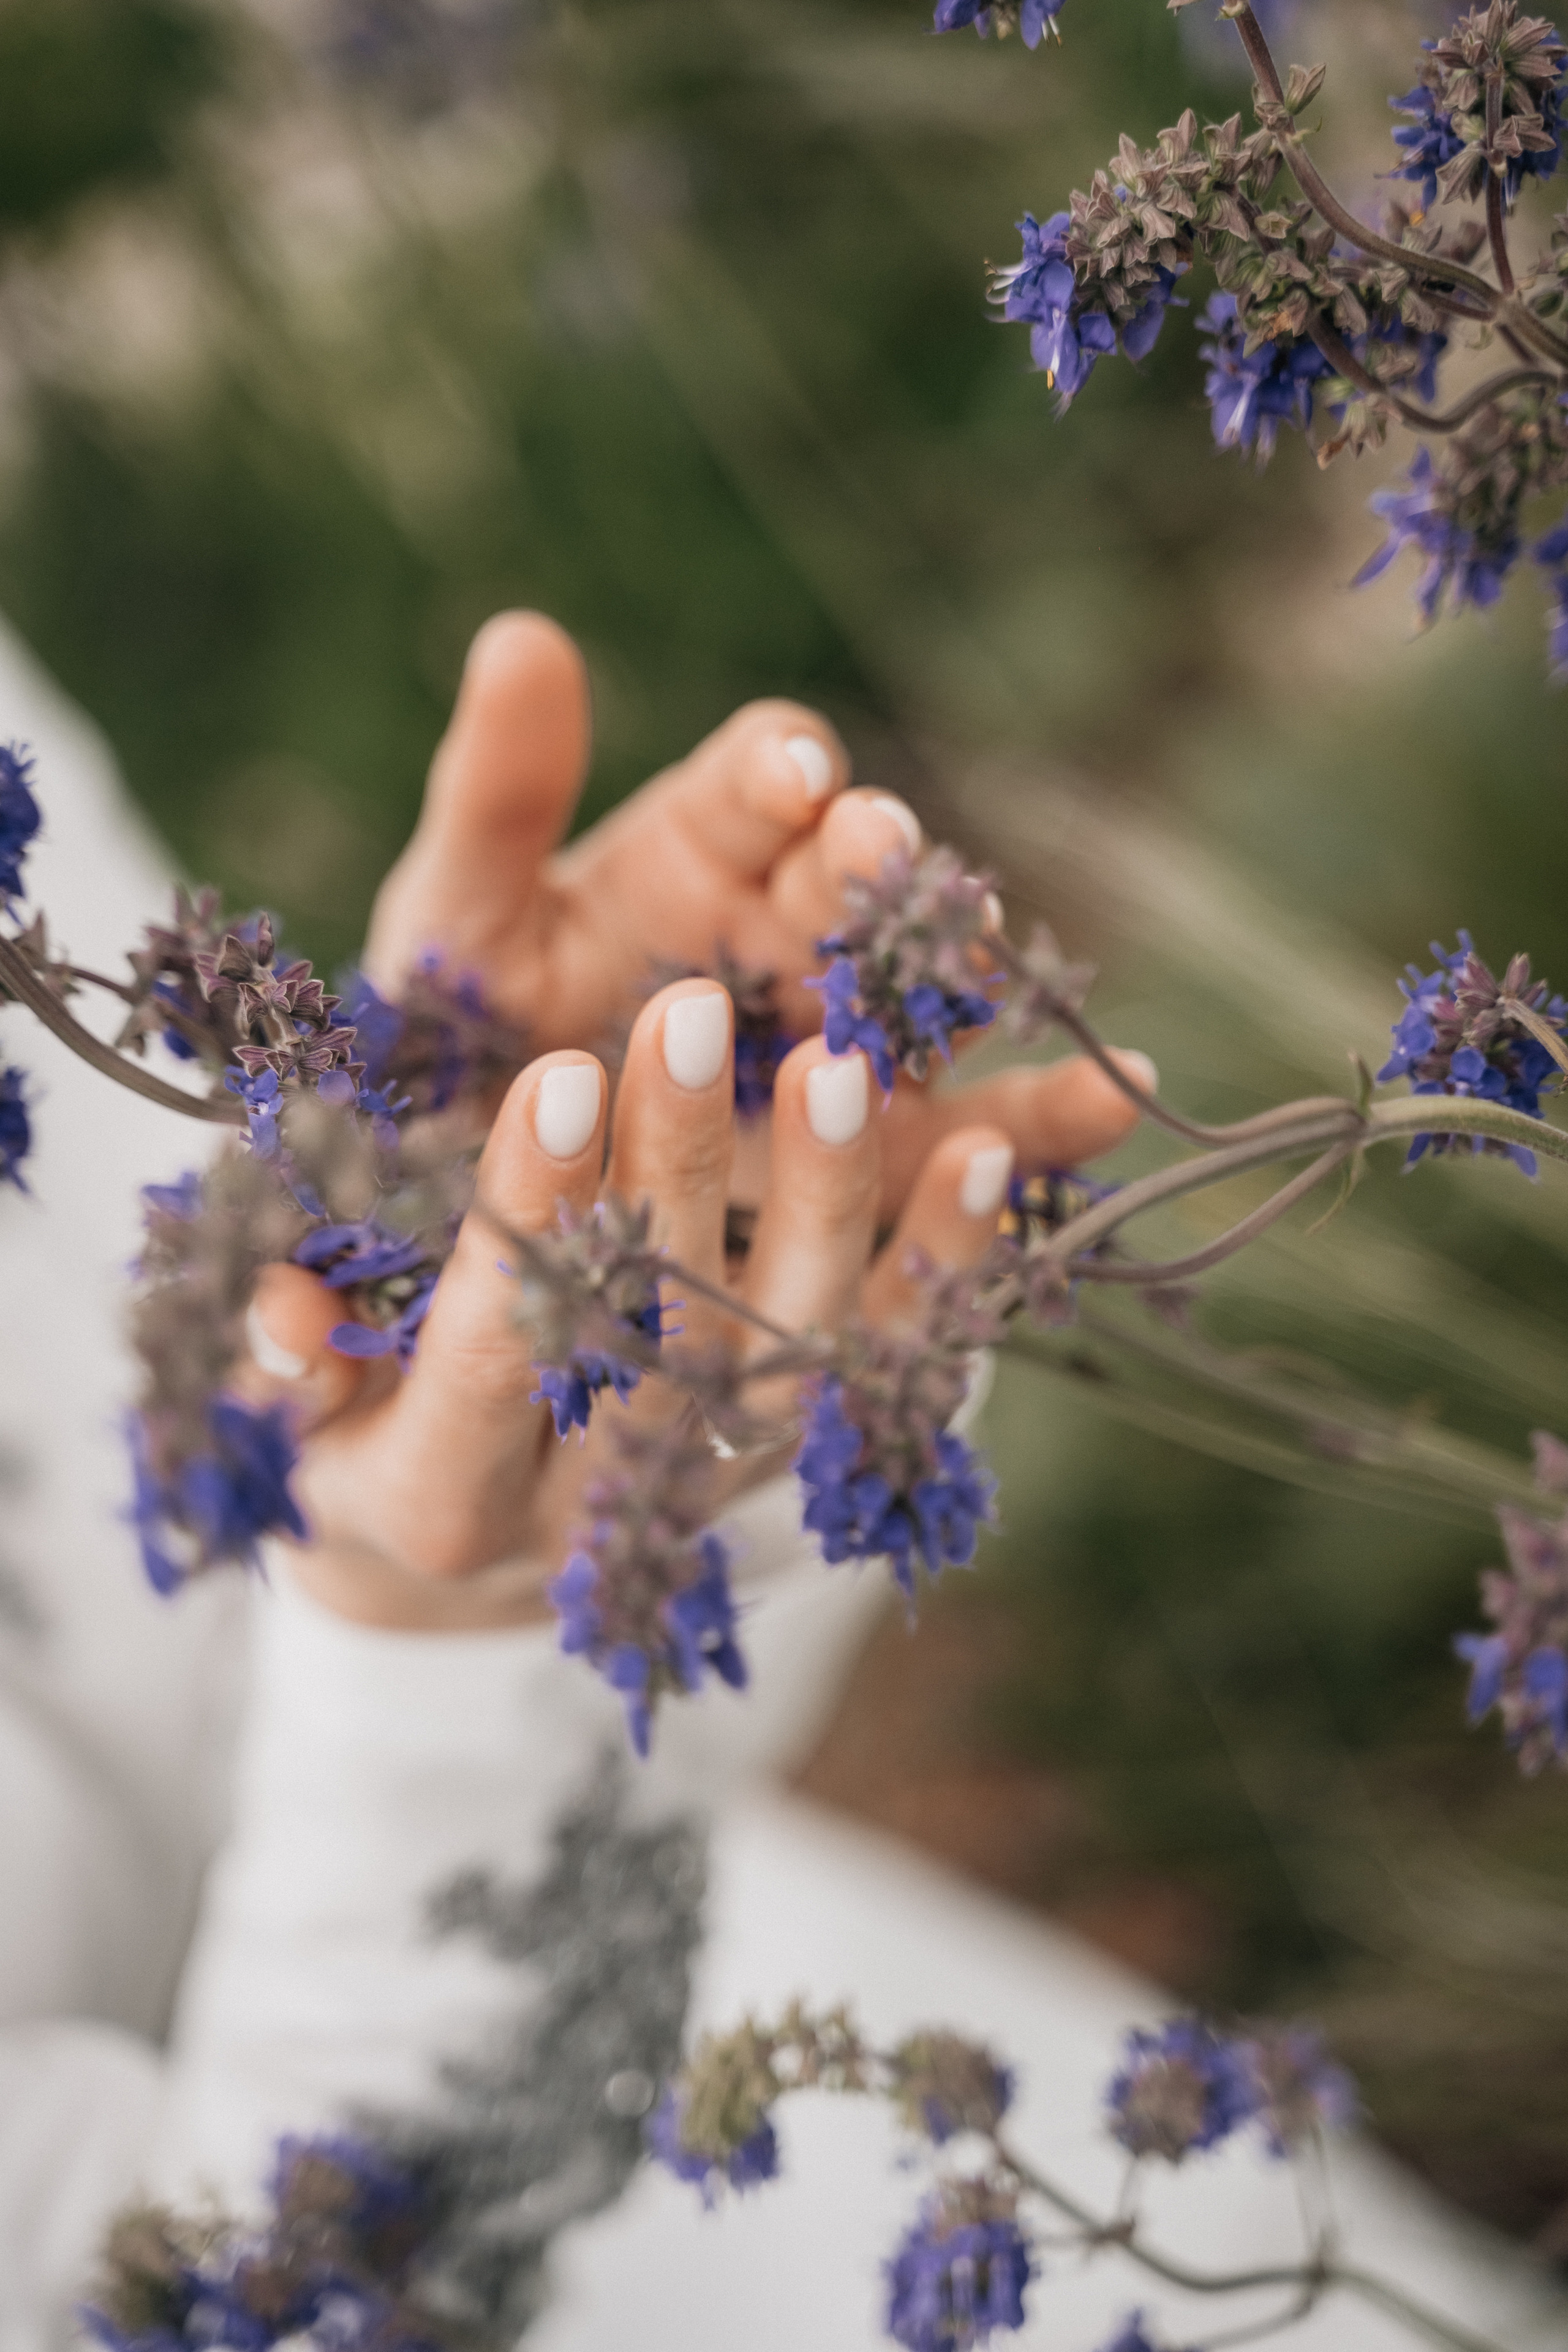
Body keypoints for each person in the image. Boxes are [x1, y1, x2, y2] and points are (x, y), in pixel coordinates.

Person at [0, 614, 1560, 2352]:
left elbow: (226, 1280)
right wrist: (438, 1647)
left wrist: (458, 1156)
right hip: (555, 2148)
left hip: (756, 1994)